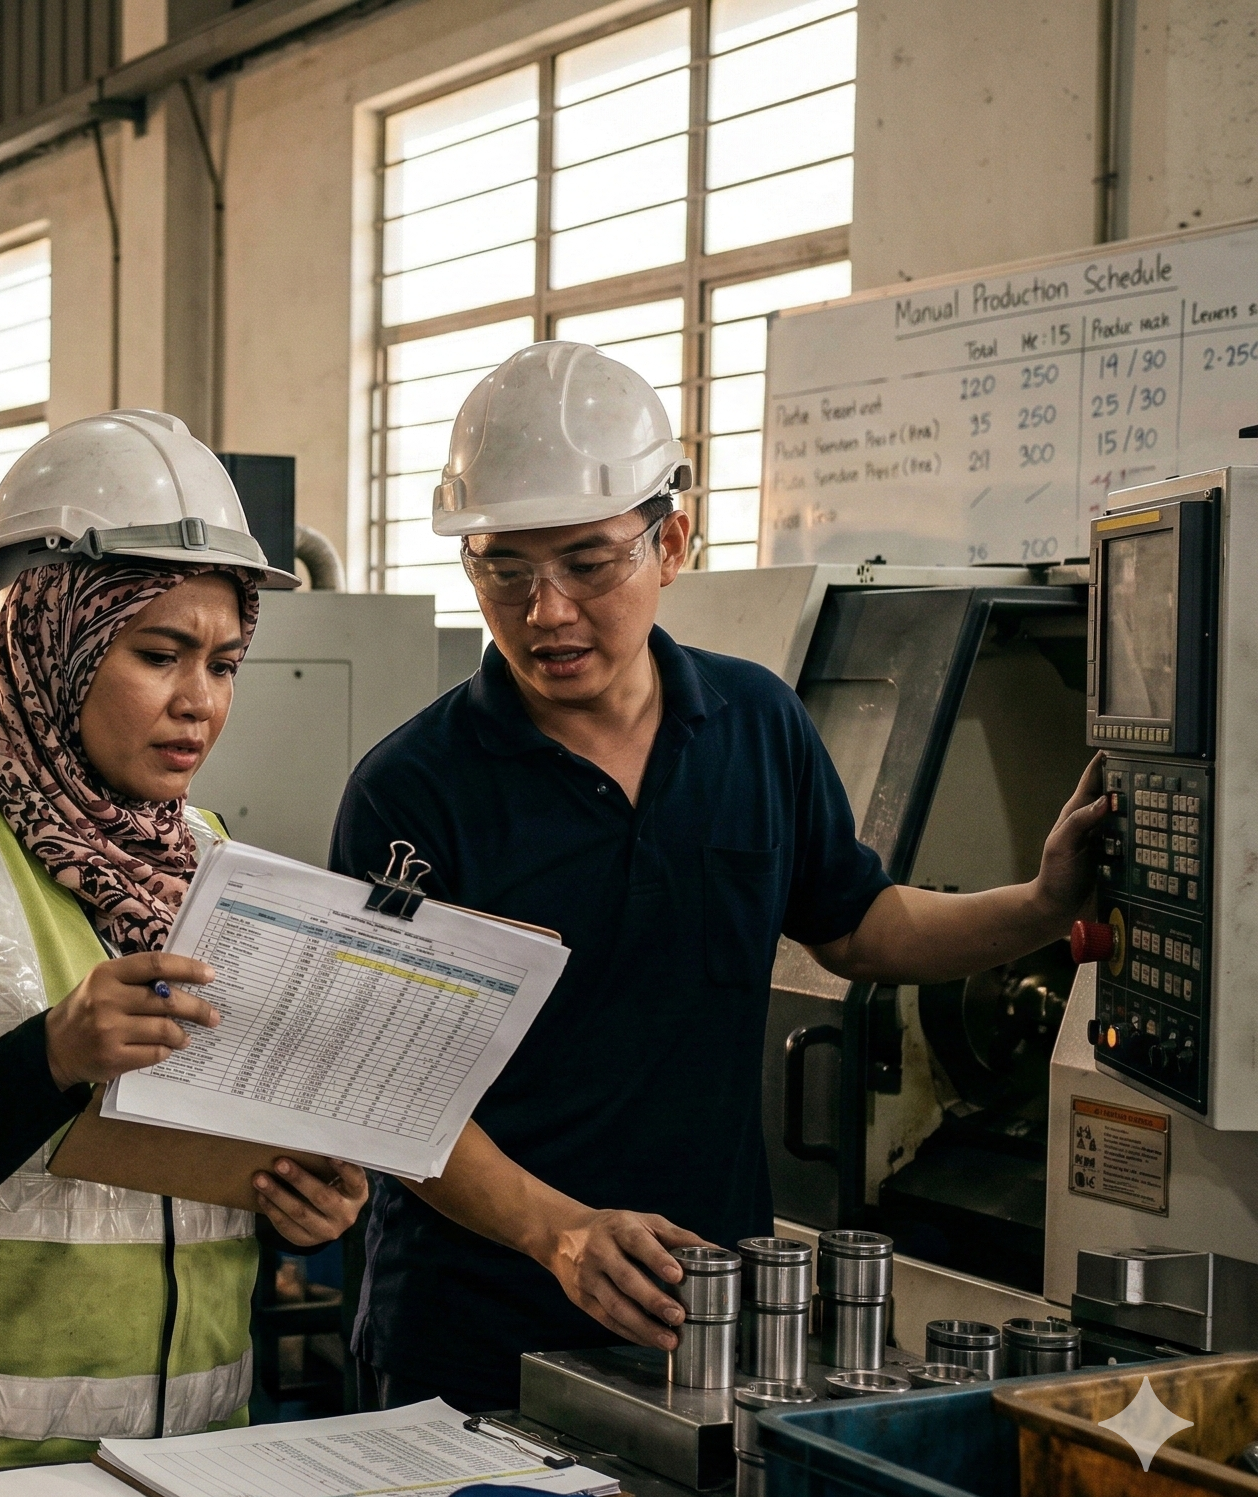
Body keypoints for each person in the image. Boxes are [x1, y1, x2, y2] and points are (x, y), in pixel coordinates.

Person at [331, 341, 1111, 1411]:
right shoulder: (412, 791)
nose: (544, 610)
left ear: (672, 542)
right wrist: (557, 1233)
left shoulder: (754, 723)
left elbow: (861, 925)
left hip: (706, 1318)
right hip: (471, 1331)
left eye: (586, 563)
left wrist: (1041, 905)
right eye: (502, 566)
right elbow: (384, 1090)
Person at [0, 410, 369, 1485]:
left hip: (189, 1471)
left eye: (225, 663)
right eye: (159, 655)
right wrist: (51, 1055)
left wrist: (300, 1211)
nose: (199, 702)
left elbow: (192, 1179)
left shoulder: (206, 857)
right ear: (46, 640)